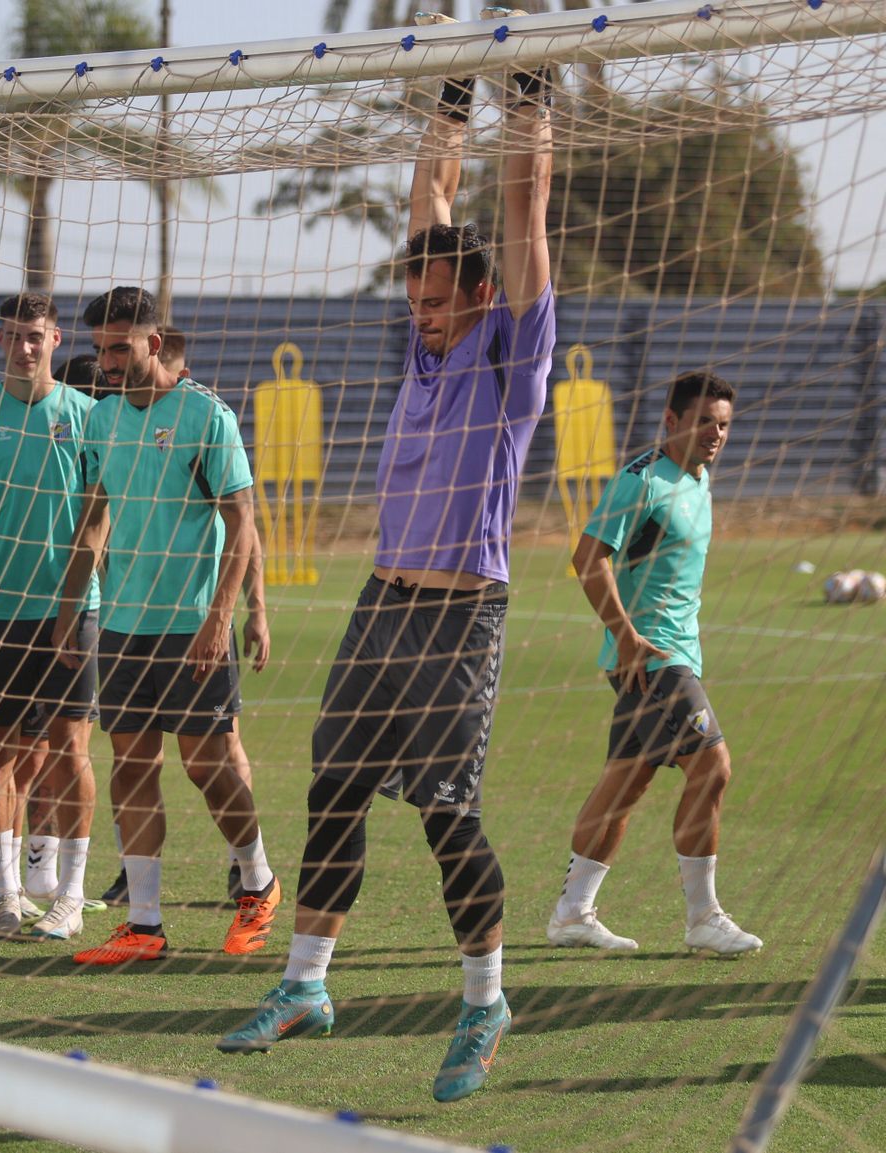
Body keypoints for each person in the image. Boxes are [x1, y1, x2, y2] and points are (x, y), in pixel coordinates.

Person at [218, 57, 556, 1106]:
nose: (423, 317)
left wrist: (528, 103)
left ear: (484, 299)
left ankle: (483, 999)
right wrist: (449, 102)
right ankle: (307, 985)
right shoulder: (421, 351)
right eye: (414, 301)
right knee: (333, 791)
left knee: (447, 816)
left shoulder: (511, 354)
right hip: (381, 602)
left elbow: (521, 204)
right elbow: (431, 200)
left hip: (462, 615)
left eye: (440, 303)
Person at [54, 286, 278, 966]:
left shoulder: (205, 415)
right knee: (133, 763)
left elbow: (241, 520)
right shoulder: (101, 420)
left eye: (120, 347)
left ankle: (258, 881)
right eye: (99, 350)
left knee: (208, 765)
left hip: (189, 623)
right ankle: (144, 922)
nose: (109, 361)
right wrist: (70, 609)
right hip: (123, 623)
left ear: (156, 342)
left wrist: (223, 617)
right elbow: (93, 520)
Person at [548, 371, 761, 957]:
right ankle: (703, 917)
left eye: (723, 424)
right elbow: (588, 558)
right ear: (671, 422)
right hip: (654, 658)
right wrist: (627, 636)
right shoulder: (639, 482)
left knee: (627, 781)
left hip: (674, 655)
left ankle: (572, 914)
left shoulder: (700, 478)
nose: (715, 434)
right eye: (704, 423)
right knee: (713, 766)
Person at [0, 293, 101, 939]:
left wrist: (70, 607)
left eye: (36, 335)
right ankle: (6, 895)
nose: (24, 346)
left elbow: (98, 519)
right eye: (13, 335)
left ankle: (73, 895)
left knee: (70, 750)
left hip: (73, 612)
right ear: (0, 340)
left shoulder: (87, 415)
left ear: (56, 339)